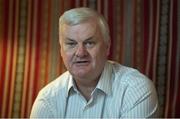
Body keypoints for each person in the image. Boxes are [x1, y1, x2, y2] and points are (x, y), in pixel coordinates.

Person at [30, 7, 158, 118]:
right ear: (61, 50)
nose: (80, 52)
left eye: (89, 43)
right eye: (71, 43)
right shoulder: (47, 101)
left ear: (107, 47)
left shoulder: (135, 90)